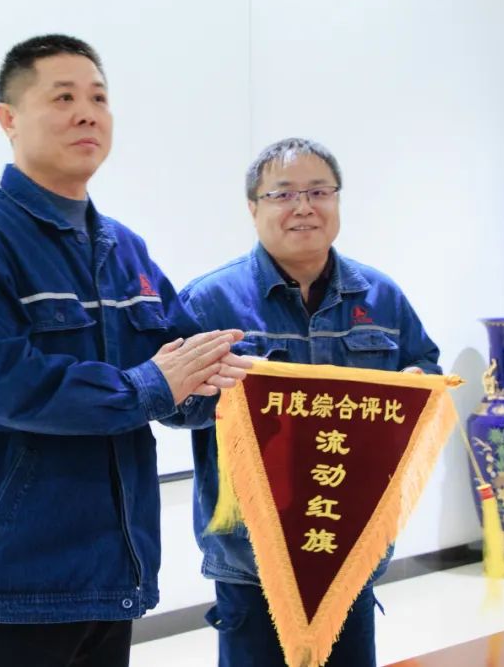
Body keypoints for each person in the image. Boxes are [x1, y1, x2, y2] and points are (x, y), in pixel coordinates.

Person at [0, 34, 248, 667]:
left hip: (111, 576)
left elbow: (178, 373)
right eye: (63, 98)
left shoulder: (124, 249)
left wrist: (226, 380)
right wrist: (151, 386)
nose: (87, 113)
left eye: (99, 98)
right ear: (8, 119)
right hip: (2, 585)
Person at [175, 137, 442, 666]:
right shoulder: (210, 301)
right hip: (252, 558)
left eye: (319, 191)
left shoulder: (380, 297)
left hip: (349, 546)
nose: (304, 207)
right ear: (253, 207)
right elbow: (172, 407)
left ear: (337, 200)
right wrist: (224, 389)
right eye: (283, 194)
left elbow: (426, 369)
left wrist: (418, 384)